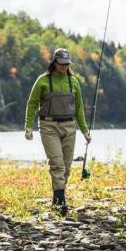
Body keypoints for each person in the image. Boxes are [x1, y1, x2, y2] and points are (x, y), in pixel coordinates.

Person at [24, 48, 90, 215]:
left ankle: (57, 197)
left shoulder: (73, 82)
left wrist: (85, 131)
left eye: (67, 64)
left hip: (69, 127)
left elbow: (79, 109)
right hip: (49, 126)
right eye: (61, 64)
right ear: (54, 63)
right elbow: (32, 104)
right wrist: (28, 127)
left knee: (67, 167)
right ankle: (60, 202)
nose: (64, 67)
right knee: (57, 164)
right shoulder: (43, 81)